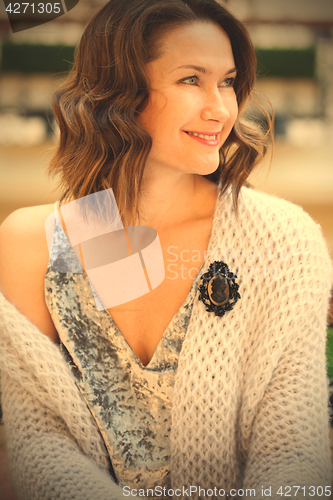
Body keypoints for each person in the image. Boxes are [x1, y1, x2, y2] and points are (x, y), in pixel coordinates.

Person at [0, 0, 332, 499]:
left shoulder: (283, 238)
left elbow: (293, 455)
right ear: (118, 92)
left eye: (227, 81)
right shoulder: (31, 245)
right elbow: (40, 445)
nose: (221, 108)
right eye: (190, 80)